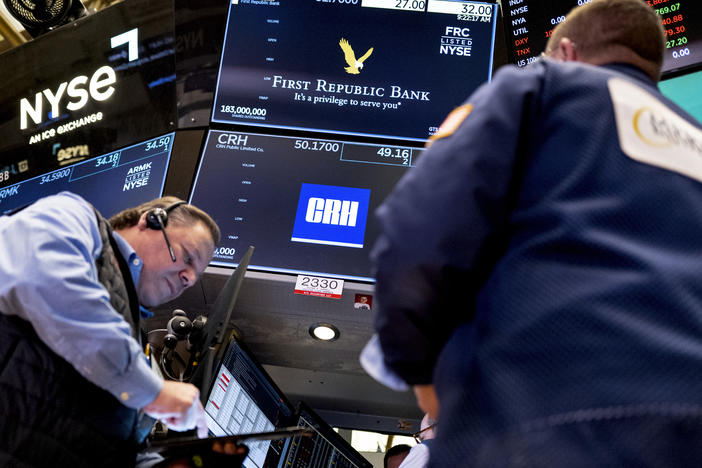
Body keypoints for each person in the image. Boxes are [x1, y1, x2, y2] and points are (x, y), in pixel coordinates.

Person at [366, 0, 702, 466]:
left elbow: (415, 232)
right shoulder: (695, 139)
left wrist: (421, 377)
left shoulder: (541, 86)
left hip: (544, 421)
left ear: (564, 52)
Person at [0, 191, 221, 467]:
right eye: (188, 257)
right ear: (150, 221)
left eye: (196, 276)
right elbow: (45, 282)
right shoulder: (72, 216)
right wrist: (156, 392)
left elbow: (124, 448)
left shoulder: (139, 346)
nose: (189, 278)